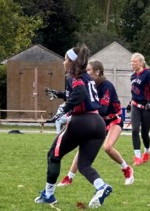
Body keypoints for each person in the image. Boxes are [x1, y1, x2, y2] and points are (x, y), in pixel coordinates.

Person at [35, 47, 114, 209]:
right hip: (98, 123)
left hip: (82, 121)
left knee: (53, 155)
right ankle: (101, 186)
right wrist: (59, 94)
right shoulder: (87, 78)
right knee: (84, 165)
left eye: (65, 59)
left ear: (72, 62)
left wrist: (64, 108)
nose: (63, 62)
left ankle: (49, 194)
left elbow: (80, 93)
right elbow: (79, 93)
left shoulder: (74, 76)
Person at [57, 60, 135, 188]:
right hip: (98, 121)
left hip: (113, 119)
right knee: (83, 147)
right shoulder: (88, 84)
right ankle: (69, 178)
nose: (85, 73)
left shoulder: (106, 86)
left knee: (108, 147)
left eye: (88, 70)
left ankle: (127, 170)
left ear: (97, 72)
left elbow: (102, 109)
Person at [129, 52, 150, 165]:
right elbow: (135, 91)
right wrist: (130, 102)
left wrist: (149, 103)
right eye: (131, 62)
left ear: (140, 63)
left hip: (146, 107)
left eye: (134, 62)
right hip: (135, 105)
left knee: (144, 133)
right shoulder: (132, 76)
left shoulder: (147, 74)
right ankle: (137, 157)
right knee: (135, 129)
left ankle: (147, 150)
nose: (132, 64)